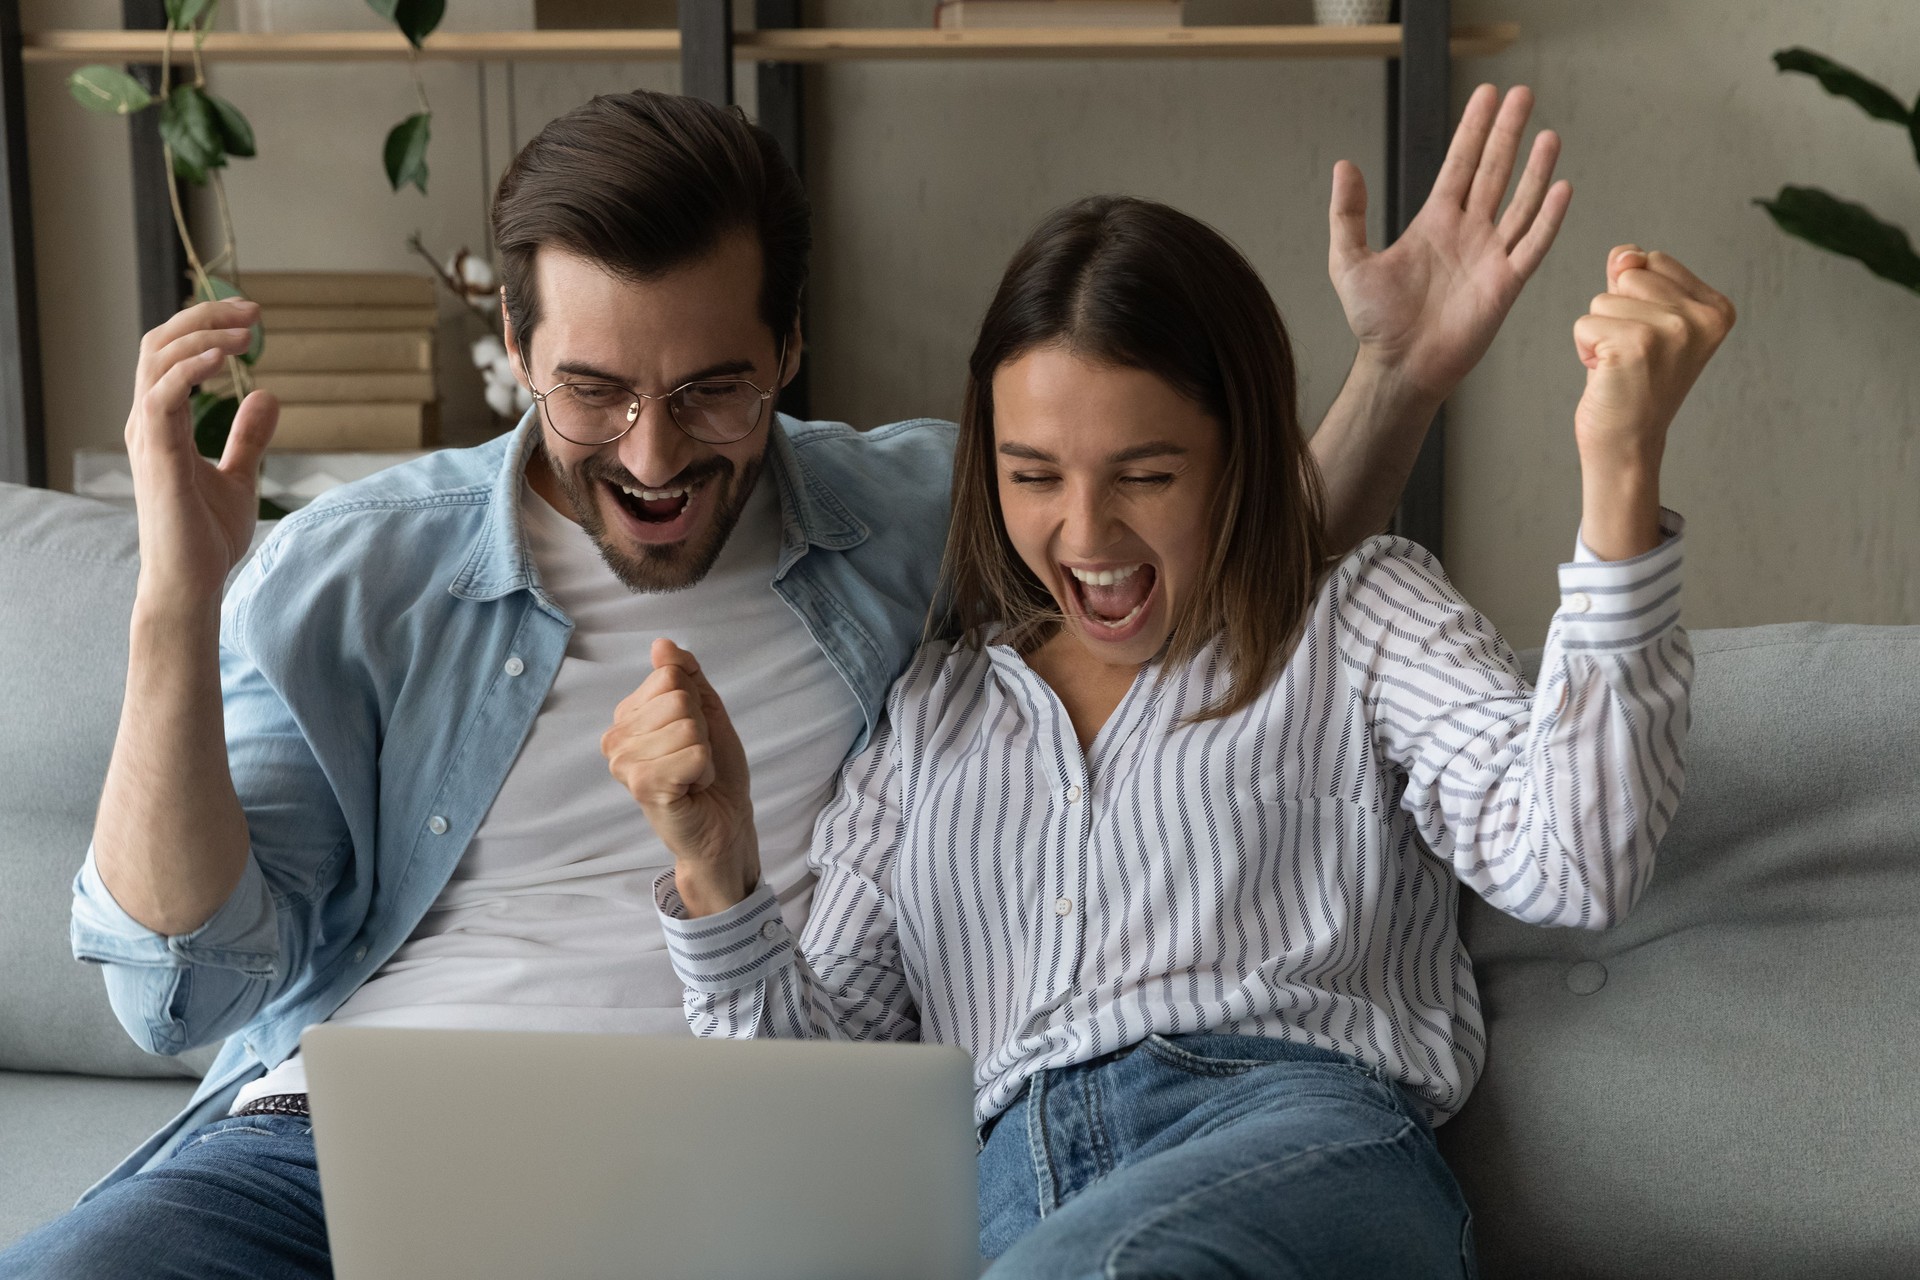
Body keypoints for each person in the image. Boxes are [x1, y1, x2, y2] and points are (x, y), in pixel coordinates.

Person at [1, 84, 1570, 1277]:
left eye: (715, 389)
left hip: (730, 1176)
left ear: (796, 342)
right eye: (592, 392)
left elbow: (1203, 576)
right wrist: (171, 616)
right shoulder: (360, 567)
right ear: (509, 339)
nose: (656, 454)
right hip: (342, 1155)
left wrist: (1400, 376)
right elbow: (178, 986)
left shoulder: (915, 519)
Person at [621, 196, 1732, 1276]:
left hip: (1298, 1145)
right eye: (1033, 474)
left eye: (1147, 475)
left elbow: (1579, 858)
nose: (1088, 530)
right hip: (1008, 1187)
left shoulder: (1361, 616)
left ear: (1243, 449)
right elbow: (813, 1112)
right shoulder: (935, 714)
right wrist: (719, 873)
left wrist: (1620, 468)